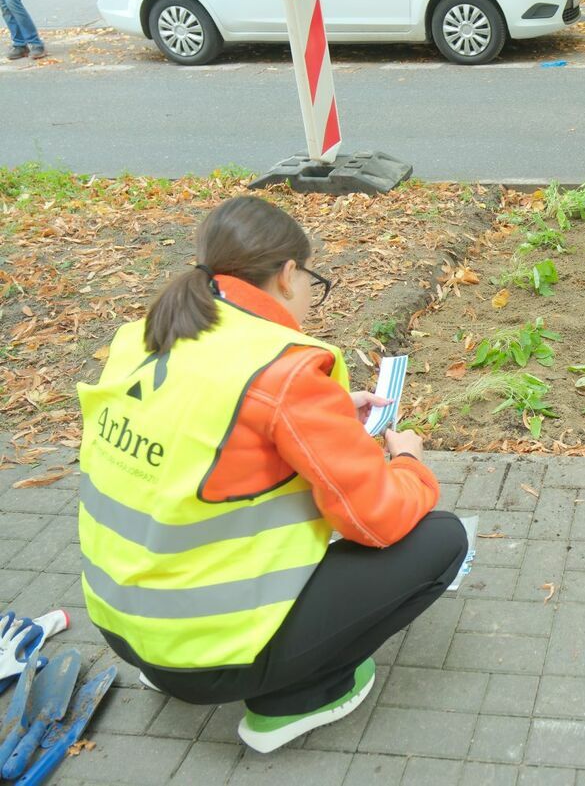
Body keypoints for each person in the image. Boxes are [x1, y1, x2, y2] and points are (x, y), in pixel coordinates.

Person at [76, 196, 468, 754]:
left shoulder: (142, 337)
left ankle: (171, 670)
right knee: (440, 538)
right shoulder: (285, 365)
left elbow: (210, 442)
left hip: (126, 631)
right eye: (313, 280)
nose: (311, 293)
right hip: (212, 656)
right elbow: (373, 519)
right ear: (288, 275)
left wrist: (326, 419)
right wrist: (408, 462)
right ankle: (300, 697)